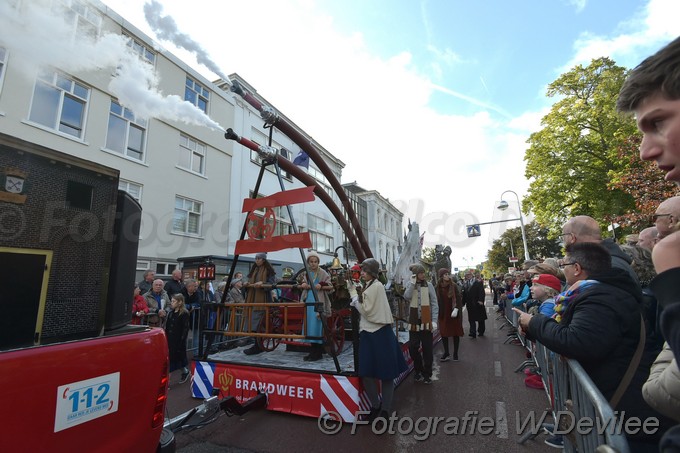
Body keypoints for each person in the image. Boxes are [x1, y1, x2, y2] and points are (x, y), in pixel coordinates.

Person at [515, 242, 673, 450]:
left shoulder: (600, 297)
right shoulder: (602, 292)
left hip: (626, 412)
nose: (563, 269)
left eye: (565, 264)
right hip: (619, 401)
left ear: (577, 268)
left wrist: (534, 323)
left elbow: (576, 341)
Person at [346, 258, 407, 420]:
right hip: (372, 333)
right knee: (368, 373)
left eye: (365, 271)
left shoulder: (376, 286)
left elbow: (366, 310)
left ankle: (384, 409)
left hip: (378, 332)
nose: (362, 273)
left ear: (372, 273)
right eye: (362, 270)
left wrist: (353, 294)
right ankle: (377, 406)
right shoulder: (371, 285)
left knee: (384, 374)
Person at [561, 215, 641, 288]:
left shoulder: (606, 266)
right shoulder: (609, 260)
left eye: (563, 237)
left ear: (572, 238)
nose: (564, 243)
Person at [403, 264, 439, 383]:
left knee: (427, 348)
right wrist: (412, 284)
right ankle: (418, 369)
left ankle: (427, 374)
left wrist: (434, 320)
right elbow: (406, 297)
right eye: (421, 273)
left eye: (424, 272)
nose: (423, 274)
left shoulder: (429, 285)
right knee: (413, 347)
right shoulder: (410, 285)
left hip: (426, 321)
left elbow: (434, 303)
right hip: (414, 322)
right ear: (415, 274)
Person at [298, 250, 333, 361]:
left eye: (315, 261)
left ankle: (317, 352)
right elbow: (302, 281)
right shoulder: (306, 273)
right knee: (309, 327)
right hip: (309, 301)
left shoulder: (322, 272)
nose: (313, 263)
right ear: (308, 262)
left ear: (318, 262)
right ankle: (312, 351)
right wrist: (303, 284)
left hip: (318, 300)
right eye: (311, 261)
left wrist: (321, 284)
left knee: (317, 327)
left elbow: (329, 284)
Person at [243, 253, 277, 355]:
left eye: (259, 259)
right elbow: (249, 280)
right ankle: (256, 344)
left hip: (263, 300)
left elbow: (272, 284)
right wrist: (247, 284)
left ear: (264, 260)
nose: (257, 260)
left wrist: (263, 283)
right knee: (252, 322)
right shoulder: (254, 270)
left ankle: (258, 346)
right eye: (256, 258)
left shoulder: (269, 271)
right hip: (252, 299)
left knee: (258, 323)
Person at [436, 268, 463, 361]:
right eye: (445, 274)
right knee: (444, 333)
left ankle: (455, 353)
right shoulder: (438, 287)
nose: (448, 276)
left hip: (453, 313)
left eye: (448, 274)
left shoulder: (453, 286)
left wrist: (456, 309)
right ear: (441, 276)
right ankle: (446, 352)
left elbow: (459, 299)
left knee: (455, 333)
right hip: (443, 313)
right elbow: (436, 300)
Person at [165, 293, 190, 384]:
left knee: (178, 358)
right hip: (170, 339)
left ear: (180, 302)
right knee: (172, 359)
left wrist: (182, 340)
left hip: (178, 340)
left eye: (174, 301)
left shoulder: (184, 313)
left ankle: (169, 380)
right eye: (171, 301)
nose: (172, 303)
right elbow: (167, 326)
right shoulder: (170, 313)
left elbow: (185, 328)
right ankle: (184, 371)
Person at [462, 269, 486, 338]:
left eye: (469, 275)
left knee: (480, 318)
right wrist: (463, 302)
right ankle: (473, 332)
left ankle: (481, 331)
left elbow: (482, 291)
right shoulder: (465, 284)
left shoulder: (478, 282)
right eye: (466, 275)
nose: (468, 276)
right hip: (469, 304)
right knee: (471, 318)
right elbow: (464, 294)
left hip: (477, 303)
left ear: (472, 275)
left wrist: (481, 300)